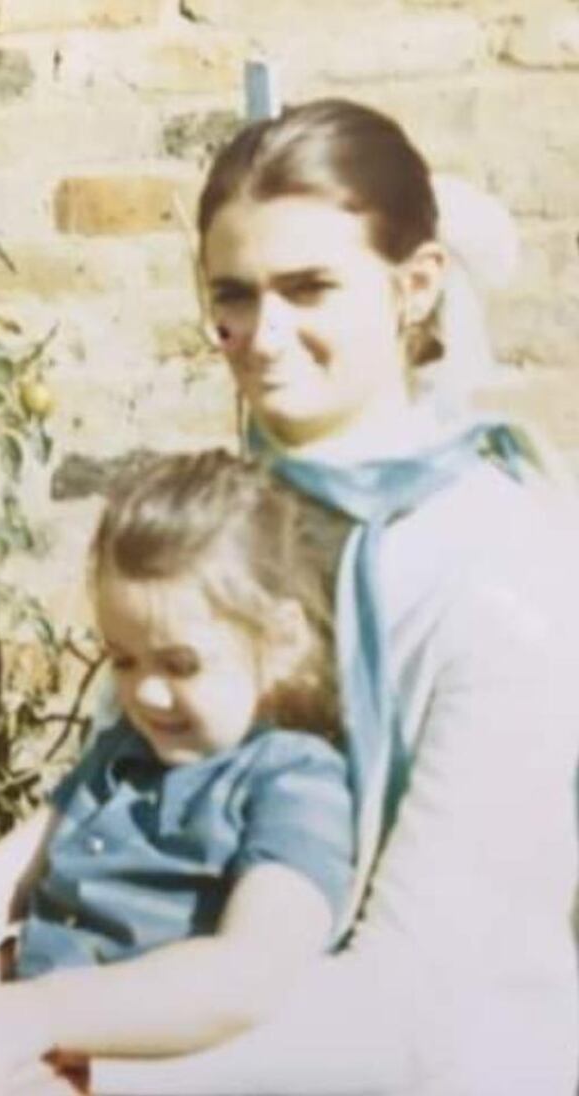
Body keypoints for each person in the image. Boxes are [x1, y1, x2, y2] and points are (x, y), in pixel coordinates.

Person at [77, 98, 579, 1095]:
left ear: (414, 285)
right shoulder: (223, 532)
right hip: (177, 1017)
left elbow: (421, 1002)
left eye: (309, 289)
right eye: (235, 296)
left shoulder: (499, 564)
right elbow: (118, 818)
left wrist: (68, 1065)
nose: (264, 338)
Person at [0, 450, 354, 1094]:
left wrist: (42, 1012)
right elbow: (3, 873)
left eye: (180, 664)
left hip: (120, 1055)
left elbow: (248, 975)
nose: (147, 693)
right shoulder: (125, 755)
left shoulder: (294, 783)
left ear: (280, 642)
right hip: (8, 1007)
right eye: (124, 661)